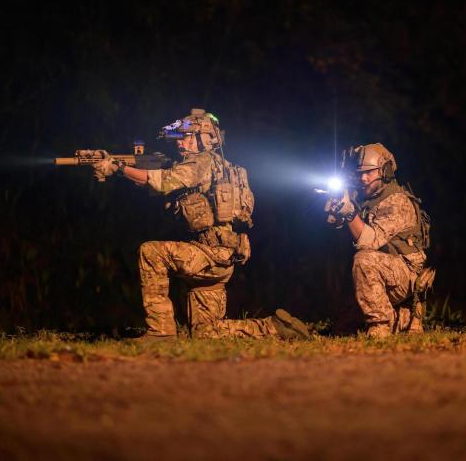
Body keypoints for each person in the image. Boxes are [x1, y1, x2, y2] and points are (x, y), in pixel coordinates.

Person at [92, 108, 310, 342]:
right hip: (220, 258)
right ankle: (275, 328)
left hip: (209, 255)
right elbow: (159, 184)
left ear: (202, 138)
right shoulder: (220, 166)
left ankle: (161, 332)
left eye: (185, 137)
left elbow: (163, 182)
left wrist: (119, 168)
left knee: (151, 252)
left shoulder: (200, 163)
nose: (180, 144)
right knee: (206, 333)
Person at [325, 143, 434, 338]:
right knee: (344, 326)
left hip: (407, 272)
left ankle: (380, 325)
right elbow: (335, 226)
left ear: (385, 171)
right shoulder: (366, 197)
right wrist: (338, 212)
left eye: (369, 172)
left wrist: (350, 213)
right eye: (359, 173)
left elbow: (369, 241)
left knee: (363, 259)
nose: (363, 178)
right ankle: (405, 318)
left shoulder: (397, 201)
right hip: (385, 269)